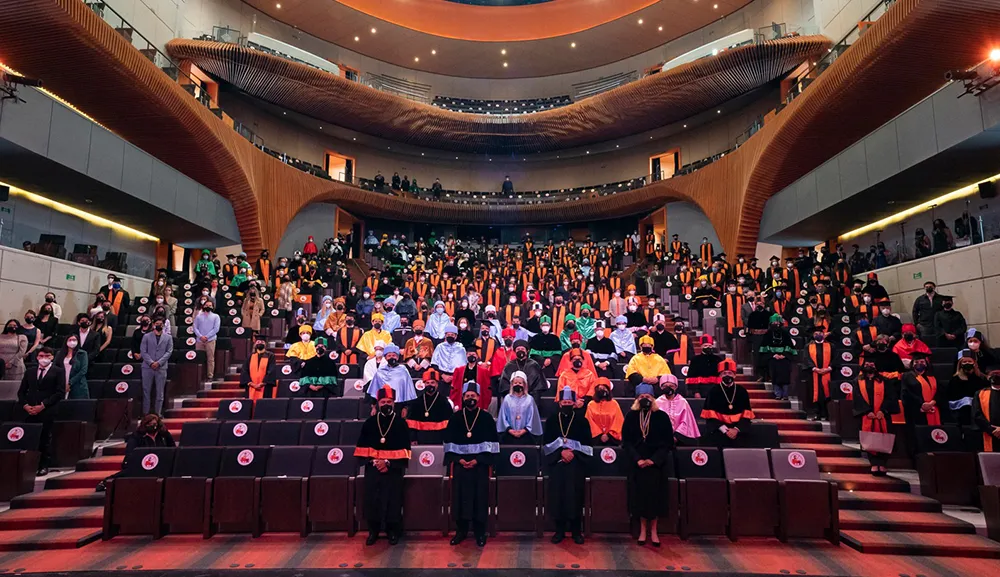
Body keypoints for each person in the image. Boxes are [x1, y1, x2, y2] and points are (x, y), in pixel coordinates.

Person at [355, 385, 412, 546]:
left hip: (393, 470)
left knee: (393, 500)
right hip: (373, 469)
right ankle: (373, 531)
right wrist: (375, 461)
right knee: (372, 500)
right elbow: (362, 446)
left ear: (394, 403)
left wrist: (388, 463)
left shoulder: (401, 423)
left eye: (389, 402)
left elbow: (405, 449)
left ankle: (392, 531)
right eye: (383, 402)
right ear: (378, 403)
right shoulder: (370, 423)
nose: (386, 404)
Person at [445, 381, 499, 547]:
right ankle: (461, 531)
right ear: (463, 398)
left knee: (479, 499)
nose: (470, 398)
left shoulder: (486, 418)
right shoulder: (455, 418)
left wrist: (478, 460)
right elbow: (448, 444)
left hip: (479, 467)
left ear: (478, 397)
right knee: (460, 499)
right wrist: (459, 460)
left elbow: (493, 445)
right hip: (460, 467)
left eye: (473, 396)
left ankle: (480, 533)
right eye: (467, 396)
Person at [621, 383, 675, 547]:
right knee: (639, 498)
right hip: (637, 464)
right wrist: (637, 459)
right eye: (641, 397)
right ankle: (643, 530)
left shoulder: (662, 416)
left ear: (653, 399)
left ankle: (654, 530)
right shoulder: (631, 416)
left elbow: (667, 443)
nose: (645, 399)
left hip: (656, 465)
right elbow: (626, 442)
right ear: (637, 399)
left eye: (648, 397)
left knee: (655, 498)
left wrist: (654, 460)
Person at [543, 386, 593, 545]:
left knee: (575, 497)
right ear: (559, 403)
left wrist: (574, 454)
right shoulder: (552, 420)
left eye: (569, 402)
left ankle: (576, 531)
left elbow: (588, 446)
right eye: (564, 402)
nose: (566, 404)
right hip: (557, 464)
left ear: (574, 403)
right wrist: (560, 453)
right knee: (558, 498)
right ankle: (559, 531)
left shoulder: (582, 421)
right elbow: (546, 444)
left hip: (575, 465)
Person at [15, 346, 64, 476]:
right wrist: (26, 405)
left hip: (47, 410)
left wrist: (43, 405)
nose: (44, 359)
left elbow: (59, 392)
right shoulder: (30, 371)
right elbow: (21, 392)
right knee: (29, 438)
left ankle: (43, 465)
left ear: (52, 357)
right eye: (41, 356)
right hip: (29, 410)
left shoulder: (58, 371)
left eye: (47, 356)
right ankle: (28, 466)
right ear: (37, 357)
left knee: (45, 438)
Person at [854, 360, 899, 476]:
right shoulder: (857, 381)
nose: (869, 366)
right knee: (869, 438)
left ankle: (883, 463)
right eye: (867, 365)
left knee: (884, 438)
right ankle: (874, 463)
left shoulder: (885, 381)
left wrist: (883, 410)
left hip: (882, 415)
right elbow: (857, 398)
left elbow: (891, 397)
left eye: (872, 365)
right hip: (866, 416)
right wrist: (867, 411)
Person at [701, 359, 754, 447]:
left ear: (734, 375)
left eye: (730, 373)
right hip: (719, 430)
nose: (727, 375)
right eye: (724, 373)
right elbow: (710, 416)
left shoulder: (742, 391)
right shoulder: (713, 391)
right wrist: (725, 430)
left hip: (738, 431)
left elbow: (746, 415)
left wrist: (736, 430)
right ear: (720, 375)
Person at [405, 369, 453, 443]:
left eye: (432, 382)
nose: (430, 385)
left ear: (437, 384)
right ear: (424, 384)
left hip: (439, 439)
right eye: (427, 383)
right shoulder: (417, 402)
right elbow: (411, 423)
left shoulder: (444, 402)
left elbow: (449, 424)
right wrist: (413, 439)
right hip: (420, 439)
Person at [496, 371, 543, 444]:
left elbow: (533, 418)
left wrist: (524, 430)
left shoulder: (529, 399)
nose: (517, 384)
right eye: (515, 383)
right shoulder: (507, 399)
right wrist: (510, 430)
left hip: (526, 434)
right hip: (509, 433)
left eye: (520, 383)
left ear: (524, 384)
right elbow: (503, 417)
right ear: (512, 384)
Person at [901, 351, 944, 427]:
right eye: (916, 362)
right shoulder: (907, 376)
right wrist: (922, 404)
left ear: (926, 363)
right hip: (916, 411)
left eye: (922, 362)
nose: (919, 364)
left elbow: (940, 391)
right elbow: (906, 393)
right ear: (912, 364)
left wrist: (932, 403)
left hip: (934, 408)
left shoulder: (932, 375)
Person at [655, 374, 700, 445]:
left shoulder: (683, 401)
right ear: (661, 387)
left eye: (671, 386)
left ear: (675, 387)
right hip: (661, 438)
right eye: (665, 386)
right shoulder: (657, 402)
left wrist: (676, 436)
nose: (668, 388)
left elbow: (686, 421)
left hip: (681, 437)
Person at [140, 319, 173, 415]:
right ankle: (146, 414)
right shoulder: (146, 336)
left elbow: (169, 351)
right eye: (157, 323)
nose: (159, 325)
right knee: (146, 391)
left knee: (160, 392)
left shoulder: (168, 337)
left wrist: (158, 363)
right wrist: (151, 363)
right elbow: (143, 351)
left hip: (161, 368)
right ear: (153, 325)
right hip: (147, 367)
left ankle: (157, 414)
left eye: (161, 324)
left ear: (163, 325)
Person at [760, 314, 796, 400]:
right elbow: (764, 347)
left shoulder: (785, 333)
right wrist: (773, 355)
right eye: (774, 322)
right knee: (774, 375)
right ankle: (778, 394)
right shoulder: (768, 334)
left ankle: (785, 395)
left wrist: (784, 355)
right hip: (773, 357)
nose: (776, 324)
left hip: (784, 358)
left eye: (777, 322)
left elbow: (789, 345)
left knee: (785, 376)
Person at [948, 350, 988, 426]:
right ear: (960, 364)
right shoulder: (955, 380)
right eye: (964, 362)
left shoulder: (981, 379)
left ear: (974, 363)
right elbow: (952, 398)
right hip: (962, 413)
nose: (967, 363)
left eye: (969, 361)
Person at [803, 325, 833, 419]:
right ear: (813, 335)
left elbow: (835, 358)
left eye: (820, 333)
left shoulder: (831, 346)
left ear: (824, 334)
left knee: (827, 393)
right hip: (813, 374)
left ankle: (828, 414)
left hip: (828, 373)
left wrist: (828, 368)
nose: (818, 335)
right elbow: (806, 358)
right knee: (815, 394)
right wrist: (815, 368)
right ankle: (817, 414)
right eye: (816, 333)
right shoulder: (808, 346)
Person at [585, 378, 624, 445]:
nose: (602, 390)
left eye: (604, 388)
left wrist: (609, 435)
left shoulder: (614, 403)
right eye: (600, 388)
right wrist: (599, 435)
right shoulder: (591, 404)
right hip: (595, 438)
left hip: (612, 438)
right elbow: (589, 421)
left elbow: (618, 421)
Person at [972, 370, 1000, 452]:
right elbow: (977, 414)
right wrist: (991, 430)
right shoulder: (980, 394)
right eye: (994, 375)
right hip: (988, 433)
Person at [193, 302, 221, 383]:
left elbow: (216, 329)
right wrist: (200, 336)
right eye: (206, 305)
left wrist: (207, 337)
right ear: (203, 306)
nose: (208, 306)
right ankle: (199, 376)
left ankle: (210, 376)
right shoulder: (198, 316)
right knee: (199, 358)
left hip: (210, 340)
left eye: (210, 305)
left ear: (212, 307)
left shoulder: (216, 316)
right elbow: (195, 327)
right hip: (199, 340)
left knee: (210, 359)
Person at [56, 335, 89, 399]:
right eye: (70, 340)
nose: (72, 342)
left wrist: (70, 383)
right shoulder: (59, 353)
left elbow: (83, 370)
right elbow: (55, 367)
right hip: (61, 382)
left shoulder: (82, 354)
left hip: (77, 383)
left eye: (74, 340)